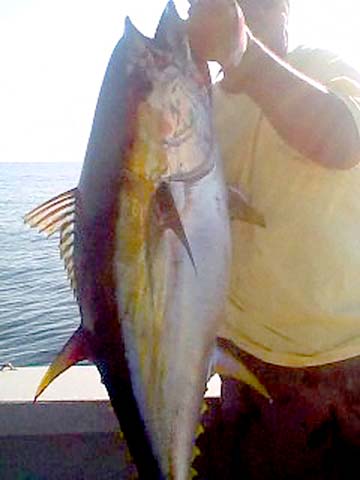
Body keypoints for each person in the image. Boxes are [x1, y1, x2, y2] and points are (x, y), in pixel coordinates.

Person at [187, 1, 360, 478]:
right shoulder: (199, 107)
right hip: (249, 372)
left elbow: (343, 140)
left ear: (287, 11)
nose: (243, 10)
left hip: (349, 363)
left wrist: (245, 56)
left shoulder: (324, 67)